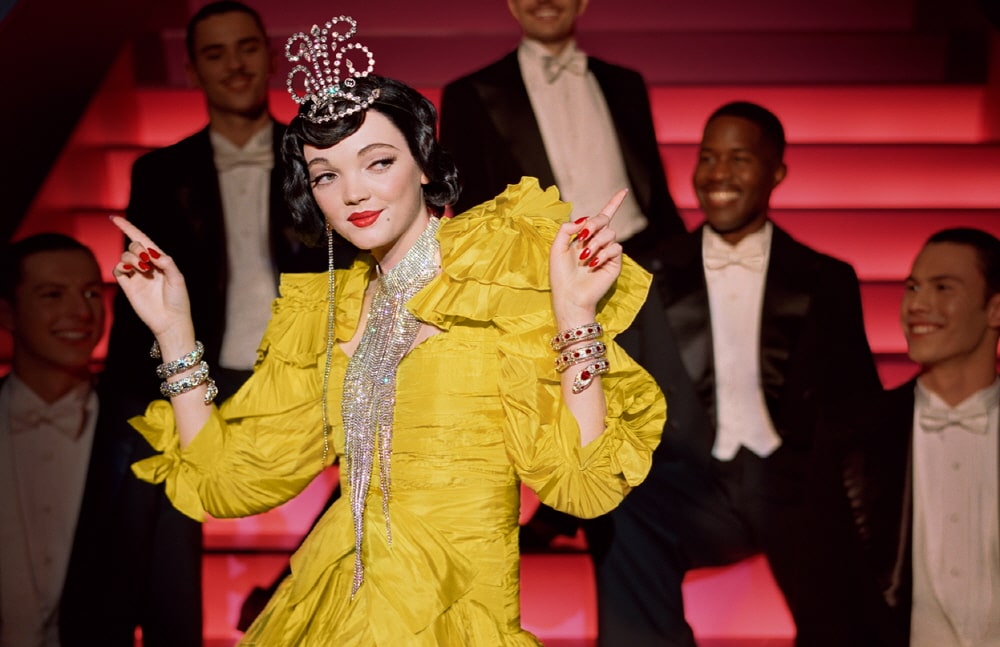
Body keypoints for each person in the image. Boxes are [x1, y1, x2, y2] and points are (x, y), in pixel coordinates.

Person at [107, 14, 666, 645]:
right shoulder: (328, 313)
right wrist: (174, 330)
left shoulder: (498, 278)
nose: (352, 193)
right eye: (326, 174)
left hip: (459, 621)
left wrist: (577, 315)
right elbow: (229, 481)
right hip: (336, 610)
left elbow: (583, 481)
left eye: (377, 162)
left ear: (423, 164)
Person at [584, 101, 883, 646]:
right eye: (708, 158)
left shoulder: (826, 278)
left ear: (777, 172)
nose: (718, 174)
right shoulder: (646, 272)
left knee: (843, 589)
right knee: (618, 508)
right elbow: (617, 394)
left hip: (795, 489)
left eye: (739, 159)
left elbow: (857, 404)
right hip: (691, 485)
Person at [0, 233, 195, 646]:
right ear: (8, 313)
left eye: (91, 293)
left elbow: (173, 605)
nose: (80, 311)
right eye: (53, 295)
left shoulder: (151, 431)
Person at [835, 228, 1000, 646]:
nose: (917, 305)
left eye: (943, 287)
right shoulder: (854, 435)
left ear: (995, 310)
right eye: (912, 287)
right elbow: (827, 598)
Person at [439, 0, 685, 259]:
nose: (545, 1)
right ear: (512, 4)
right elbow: (468, 206)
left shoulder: (627, 84)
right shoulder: (467, 95)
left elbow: (655, 187)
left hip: (640, 256)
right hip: (534, 267)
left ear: (582, 3)